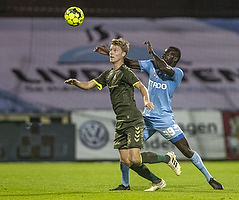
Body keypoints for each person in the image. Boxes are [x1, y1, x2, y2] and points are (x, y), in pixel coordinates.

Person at [94, 40, 224, 190]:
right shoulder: (152, 64)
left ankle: (210, 178)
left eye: (167, 54)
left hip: (164, 120)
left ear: (174, 58)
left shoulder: (177, 73)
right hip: (146, 118)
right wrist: (108, 55)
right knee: (125, 149)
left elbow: (164, 67)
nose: (163, 55)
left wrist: (152, 53)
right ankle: (125, 184)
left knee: (187, 151)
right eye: (163, 53)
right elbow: (128, 63)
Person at [65, 38, 169, 191]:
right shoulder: (107, 74)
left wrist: (146, 101)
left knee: (134, 158)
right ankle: (157, 181)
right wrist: (76, 83)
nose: (111, 53)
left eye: (115, 51)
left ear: (123, 54)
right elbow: (88, 85)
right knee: (126, 161)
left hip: (133, 119)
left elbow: (141, 87)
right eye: (111, 50)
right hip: (120, 121)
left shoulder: (126, 72)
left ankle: (167, 158)